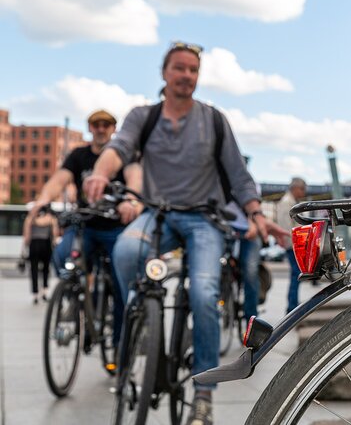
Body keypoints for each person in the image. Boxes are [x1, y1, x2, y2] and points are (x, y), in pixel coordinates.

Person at [84, 41, 287, 425]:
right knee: (126, 253)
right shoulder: (144, 116)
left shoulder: (213, 119)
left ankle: (205, 393)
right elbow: (119, 148)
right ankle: (141, 324)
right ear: (164, 73)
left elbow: (238, 176)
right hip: (157, 214)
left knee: (205, 293)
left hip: (204, 219)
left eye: (193, 70)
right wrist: (99, 172)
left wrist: (257, 215)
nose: (186, 76)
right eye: (179, 68)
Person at [31, 109, 143, 344]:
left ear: (113, 129)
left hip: (115, 227)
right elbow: (59, 179)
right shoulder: (79, 155)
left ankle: (121, 342)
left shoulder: (124, 155)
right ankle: (78, 298)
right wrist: (43, 198)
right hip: (85, 225)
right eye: (96, 125)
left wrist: (131, 201)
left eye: (106, 125)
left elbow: (135, 178)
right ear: (90, 128)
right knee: (62, 255)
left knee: (122, 279)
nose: (101, 129)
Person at [276, 177, 307, 313]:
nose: (303, 192)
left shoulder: (290, 201)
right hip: (293, 245)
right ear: (295, 188)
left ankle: (292, 305)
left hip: (293, 244)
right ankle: (292, 307)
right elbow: (286, 226)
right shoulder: (287, 202)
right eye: (302, 189)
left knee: (296, 275)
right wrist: (294, 245)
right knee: (296, 275)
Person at [22, 205, 58, 304]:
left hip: (34, 245)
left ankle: (35, 294)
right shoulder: (51, 219)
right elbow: (55, 234)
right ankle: (44, 292)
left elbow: (26, 236)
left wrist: (23, 250)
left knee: (34, 270)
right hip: (46, 245)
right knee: (46, 270)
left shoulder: (30, 219)